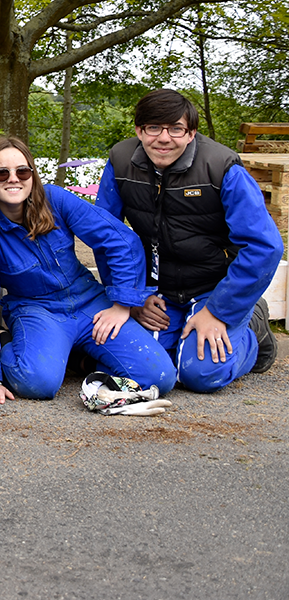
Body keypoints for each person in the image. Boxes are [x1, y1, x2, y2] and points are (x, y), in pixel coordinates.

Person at [96, 89, 282, 392]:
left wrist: (218, 311)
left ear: (191, 132)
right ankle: (186, 326)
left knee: (201, 374)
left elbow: (265, 247)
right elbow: (106, 236)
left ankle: (253, 329)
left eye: (176, 129)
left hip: (215, 288)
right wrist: (131, 298)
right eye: (153, 128)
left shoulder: (222, 167)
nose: (164, 138)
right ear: (139, 130)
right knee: (144, 366)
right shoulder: (120, 161)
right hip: (158, 290)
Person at [0, 137, 175, 405]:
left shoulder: (56, 199)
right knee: (37, 383)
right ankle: (10, 343)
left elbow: (122, 240)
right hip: (37, 311)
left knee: (158, 376)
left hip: (90, 303)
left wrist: (122, 305)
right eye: (1, 173)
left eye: (22, 171)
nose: (13, 179)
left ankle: (82, 360)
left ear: (32, 175)